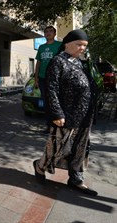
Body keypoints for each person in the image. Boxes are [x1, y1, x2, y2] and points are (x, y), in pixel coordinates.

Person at [33, 29, 98, 196]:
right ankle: (40, 167)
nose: (82, 48)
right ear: (67, 43)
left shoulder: (80, 62)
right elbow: (51, 89)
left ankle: (76, 178)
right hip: (66, 115)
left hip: (84, 116)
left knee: (80, 149)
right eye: (79, 44)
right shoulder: (58, 61)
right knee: (56, 147)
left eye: (85, 45)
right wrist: (57, 113)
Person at [34, 26, 61, 133]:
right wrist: (36, 78)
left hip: (55, 79)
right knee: (46, 102)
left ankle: (58, 124)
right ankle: (49, 125)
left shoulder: (59, 46)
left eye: (50, 31)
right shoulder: (41, 47)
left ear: (55, 33)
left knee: (55, 102)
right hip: (42, 78)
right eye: (46, 31)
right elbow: (38, 63)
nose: (48, 33)